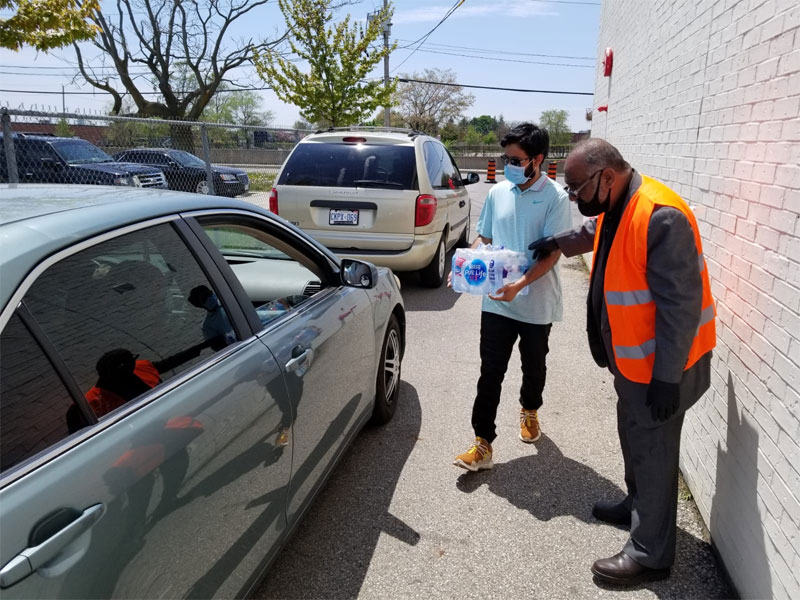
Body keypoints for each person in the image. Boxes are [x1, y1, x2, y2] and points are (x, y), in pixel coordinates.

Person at [528, 138, 716, 584]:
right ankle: (637, 506)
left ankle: (651, 555)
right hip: (634, 363)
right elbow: (599, 233)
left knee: (653, 452)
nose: (573, 198)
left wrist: (666, 380)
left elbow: (681, 307)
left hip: (663, 368)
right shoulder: (620, 202)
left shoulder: (660, 215)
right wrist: (557, 241)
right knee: (634, 437)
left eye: (576, 189)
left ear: (605, 177)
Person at [452, 123, 571, 472]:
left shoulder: (556, 199)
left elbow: (552, 255)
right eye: (506, 157)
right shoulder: (497, 192)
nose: (509, 164)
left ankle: (530, 409)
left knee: (533, 368)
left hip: (535, 303)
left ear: (538, 159)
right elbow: (484, 238)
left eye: (516, 159)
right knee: (490, 372)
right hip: (496, 302)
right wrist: (464, 268)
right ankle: (482, 444)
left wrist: (519, 285)